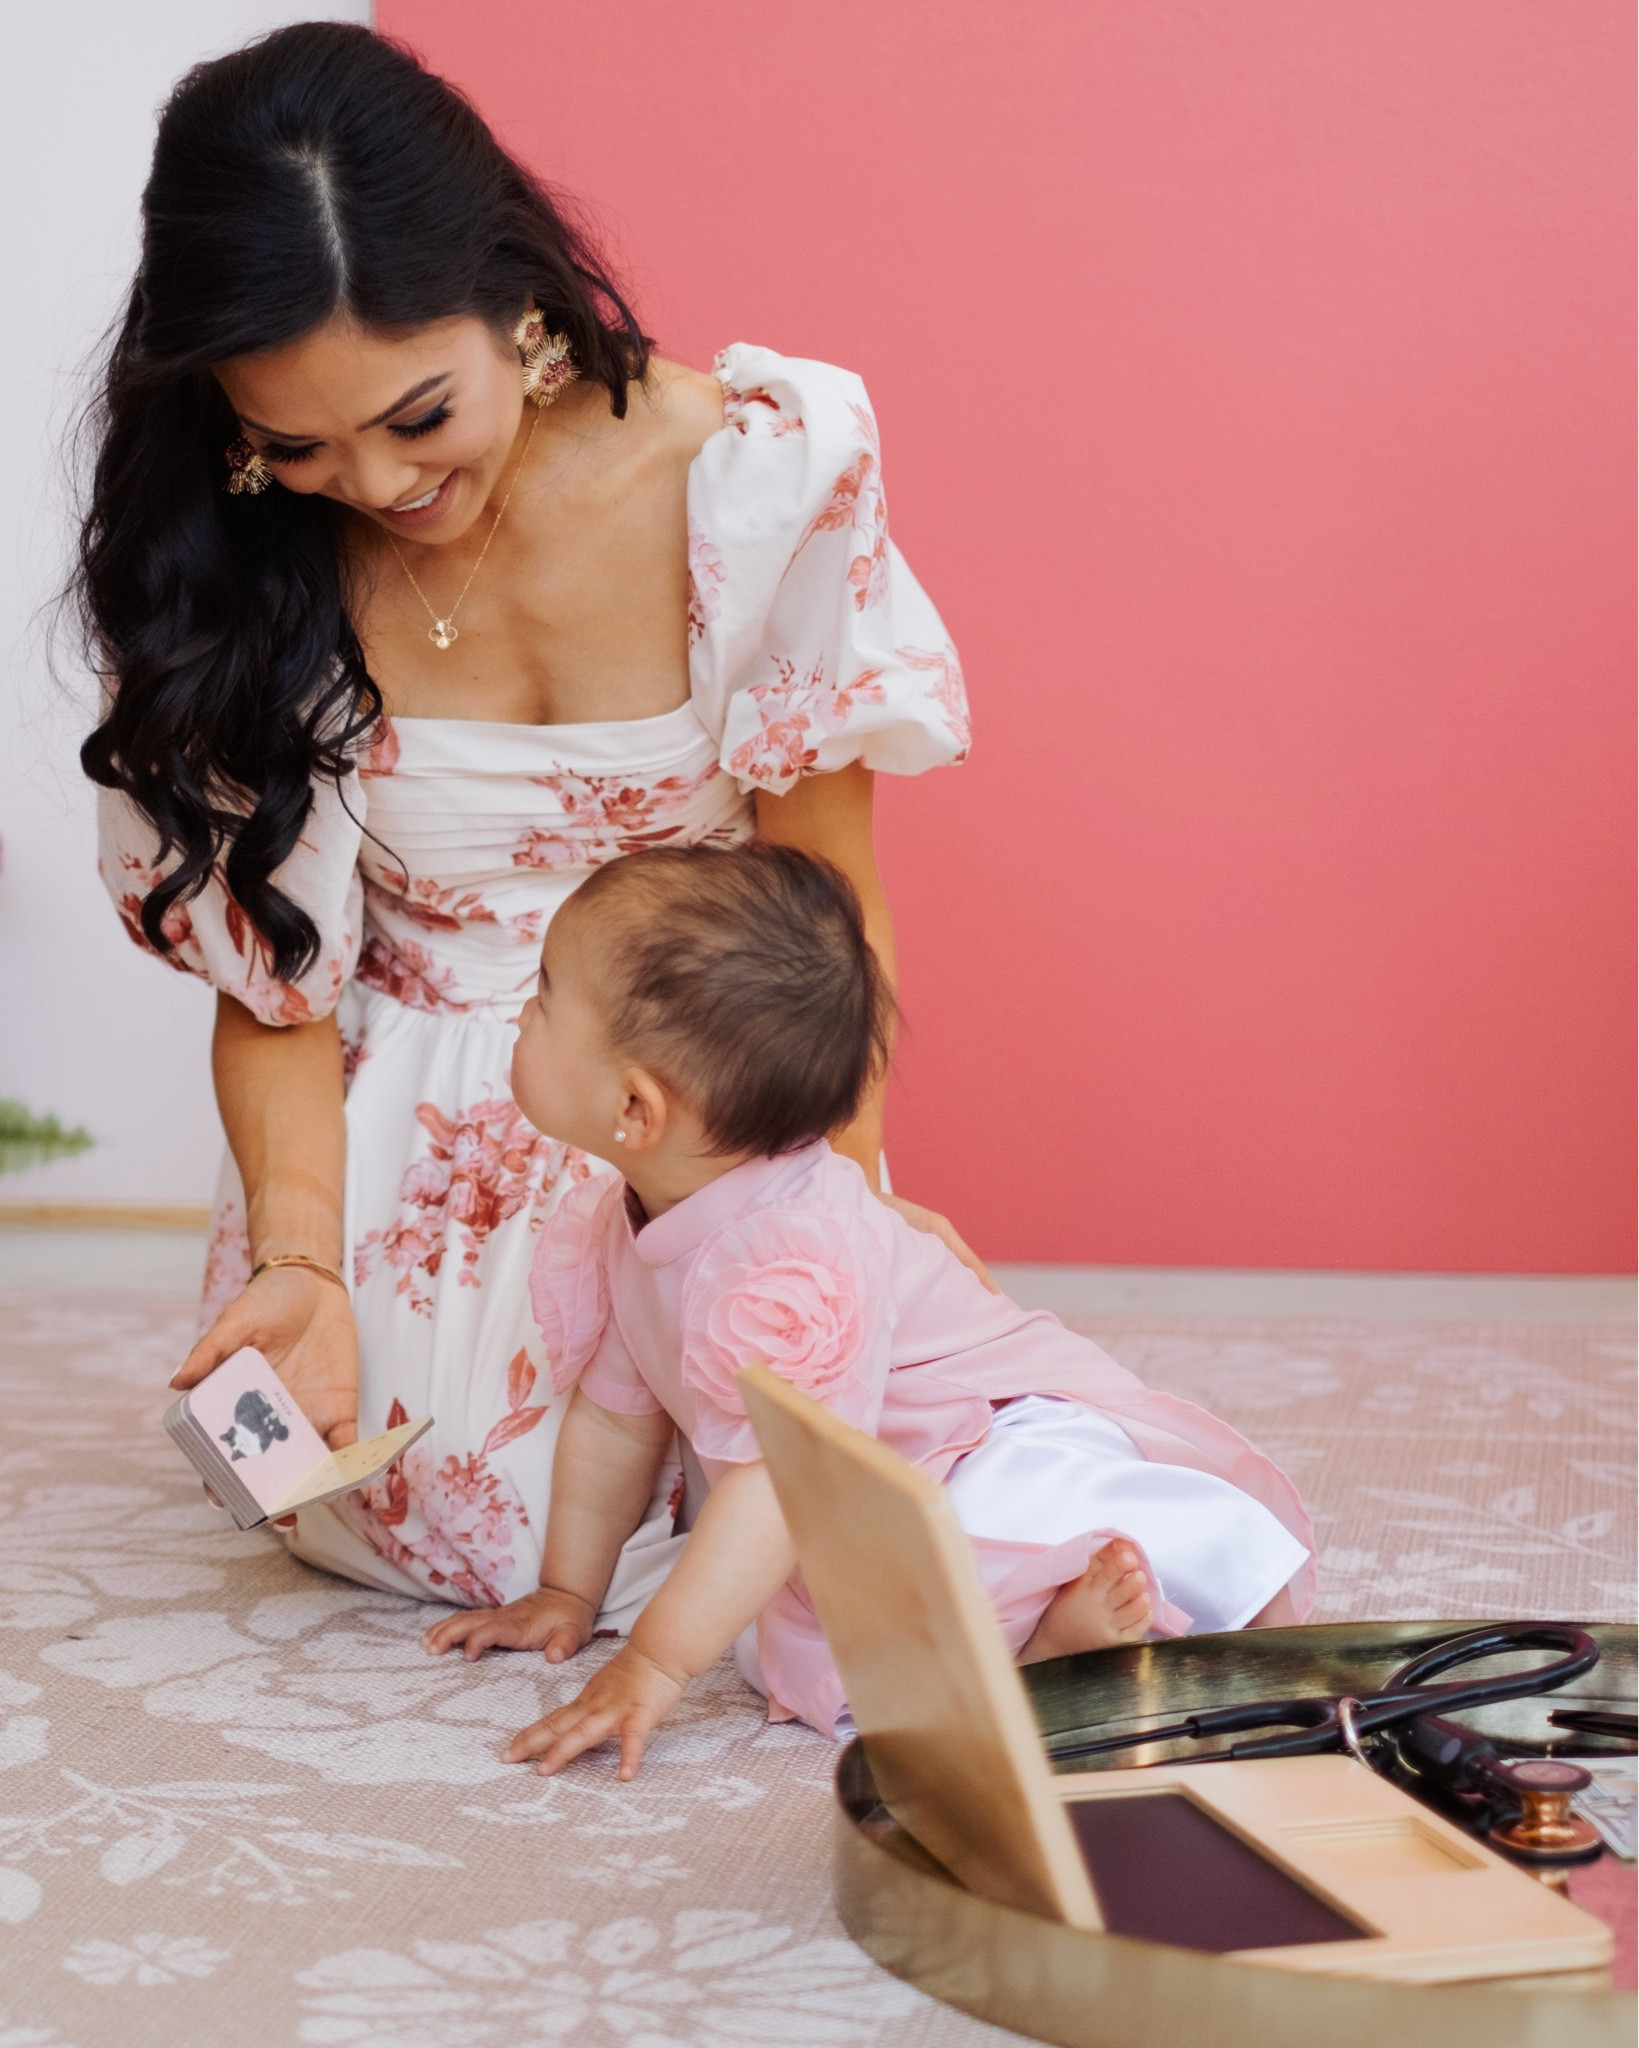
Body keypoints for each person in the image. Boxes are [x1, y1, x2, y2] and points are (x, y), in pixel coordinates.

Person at [76, 23, 975, 1621]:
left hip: (690, 1112)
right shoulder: (228, 564)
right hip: (387, 1144)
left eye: (418, 416)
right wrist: (301, 1261)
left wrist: (839, 1202)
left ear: (516, 302)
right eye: (295, 443)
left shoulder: (744, 482)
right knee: (478, 1529)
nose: (372, 484)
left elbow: (824, 890)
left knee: (884, 1482)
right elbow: (273, 991)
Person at [422, 844, 1314, 1772]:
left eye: (542, 996)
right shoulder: (636, 1216)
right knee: (809, 1632)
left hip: (974, 1433)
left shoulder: (788, 1262)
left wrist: (652, 1662)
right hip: (853, 1496)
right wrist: (569, 1590)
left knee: (981, 1519)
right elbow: (615, 1420)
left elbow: (777, 1487)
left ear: (636, 1110)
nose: (520, 1014)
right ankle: (1026, 1661)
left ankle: (1050, 1632)